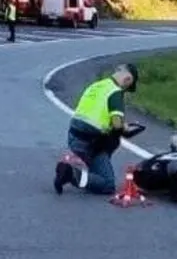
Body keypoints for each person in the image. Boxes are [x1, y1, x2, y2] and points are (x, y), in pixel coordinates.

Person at [54, 63, 143, 195]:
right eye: (127, 88)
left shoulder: (96, 85)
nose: (125, 92)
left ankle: (79, 174)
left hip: (74, 136)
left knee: (97, 171)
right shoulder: (115, 92)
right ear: (128, 79)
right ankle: (72, 174)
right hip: (92, 142)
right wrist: (125, 127)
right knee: (108, 184)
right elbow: (117, 124)